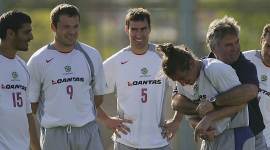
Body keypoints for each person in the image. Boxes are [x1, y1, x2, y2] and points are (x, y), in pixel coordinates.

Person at [171, 16, 267, 150]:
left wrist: (213, 104)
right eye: (229, 44)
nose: (235, 48)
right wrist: (199, 118)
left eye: (236, 42)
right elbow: (177, 101)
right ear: (213, 48)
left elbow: (250, 91)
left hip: (250, 134)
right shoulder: (201, 67)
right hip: (214, 136)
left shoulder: (245, 65)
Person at [27, 4, 107, 150]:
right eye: (66, 27)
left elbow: (98, 97)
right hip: (54, 135)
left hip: (88, 131)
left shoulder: (92, 55)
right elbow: (32, 105)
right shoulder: (38, 59)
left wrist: (78, 115)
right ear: (53, 27)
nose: (72, 32)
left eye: (75, 26)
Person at [100, 8, 181, 150]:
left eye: (143, 29)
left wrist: (177, 121)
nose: (139, 34)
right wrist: (106, 119)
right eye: (134, 29)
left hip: (159, 141)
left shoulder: (163, 57)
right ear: (127, 29)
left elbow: (185, 87)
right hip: (126, 142)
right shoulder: (117, 61)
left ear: (150, 29)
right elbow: (87, 91)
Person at [157, 43, 252, 150]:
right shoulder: (182, 82)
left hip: (235, 135)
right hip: (210, 140)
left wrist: (210, 117)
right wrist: (201, 128)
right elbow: (192, 115)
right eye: (177, 80)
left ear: (191, 63)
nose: (182, 83)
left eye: (183, 78)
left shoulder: (214, 69)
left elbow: (242, 103)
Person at [0, 10, 40, 150]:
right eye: (26, 32)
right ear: (10, 33)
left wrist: (36, 147)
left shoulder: (23, 66)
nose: (31, 37)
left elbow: (28, 113)